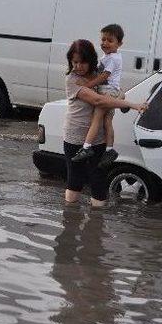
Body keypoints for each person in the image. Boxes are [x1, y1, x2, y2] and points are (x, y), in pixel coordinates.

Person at [63, 39, 147, 207]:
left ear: (91, 60)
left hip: (98, 138)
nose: (78, 66)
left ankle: (96, 224)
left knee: (98, 178)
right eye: (75, 62)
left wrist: (120, 98)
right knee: (75, 179)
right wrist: (131, 105)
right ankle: (70, 219)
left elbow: (116, 90)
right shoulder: (72, 80)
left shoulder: (99, 75)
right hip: (75, 137)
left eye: (83, 62)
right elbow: (99, 101)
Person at [70, 24, 125, 168]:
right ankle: (109, 149)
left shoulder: (112, 59)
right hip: (112, 90)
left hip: (107, 90)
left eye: (110, 40)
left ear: (119, 43)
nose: (105, 43)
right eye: (103, 39)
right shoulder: (110, 56)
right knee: (107, 121)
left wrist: (86, 85)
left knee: (96, 119)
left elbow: (103, 76)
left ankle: (86, 147)